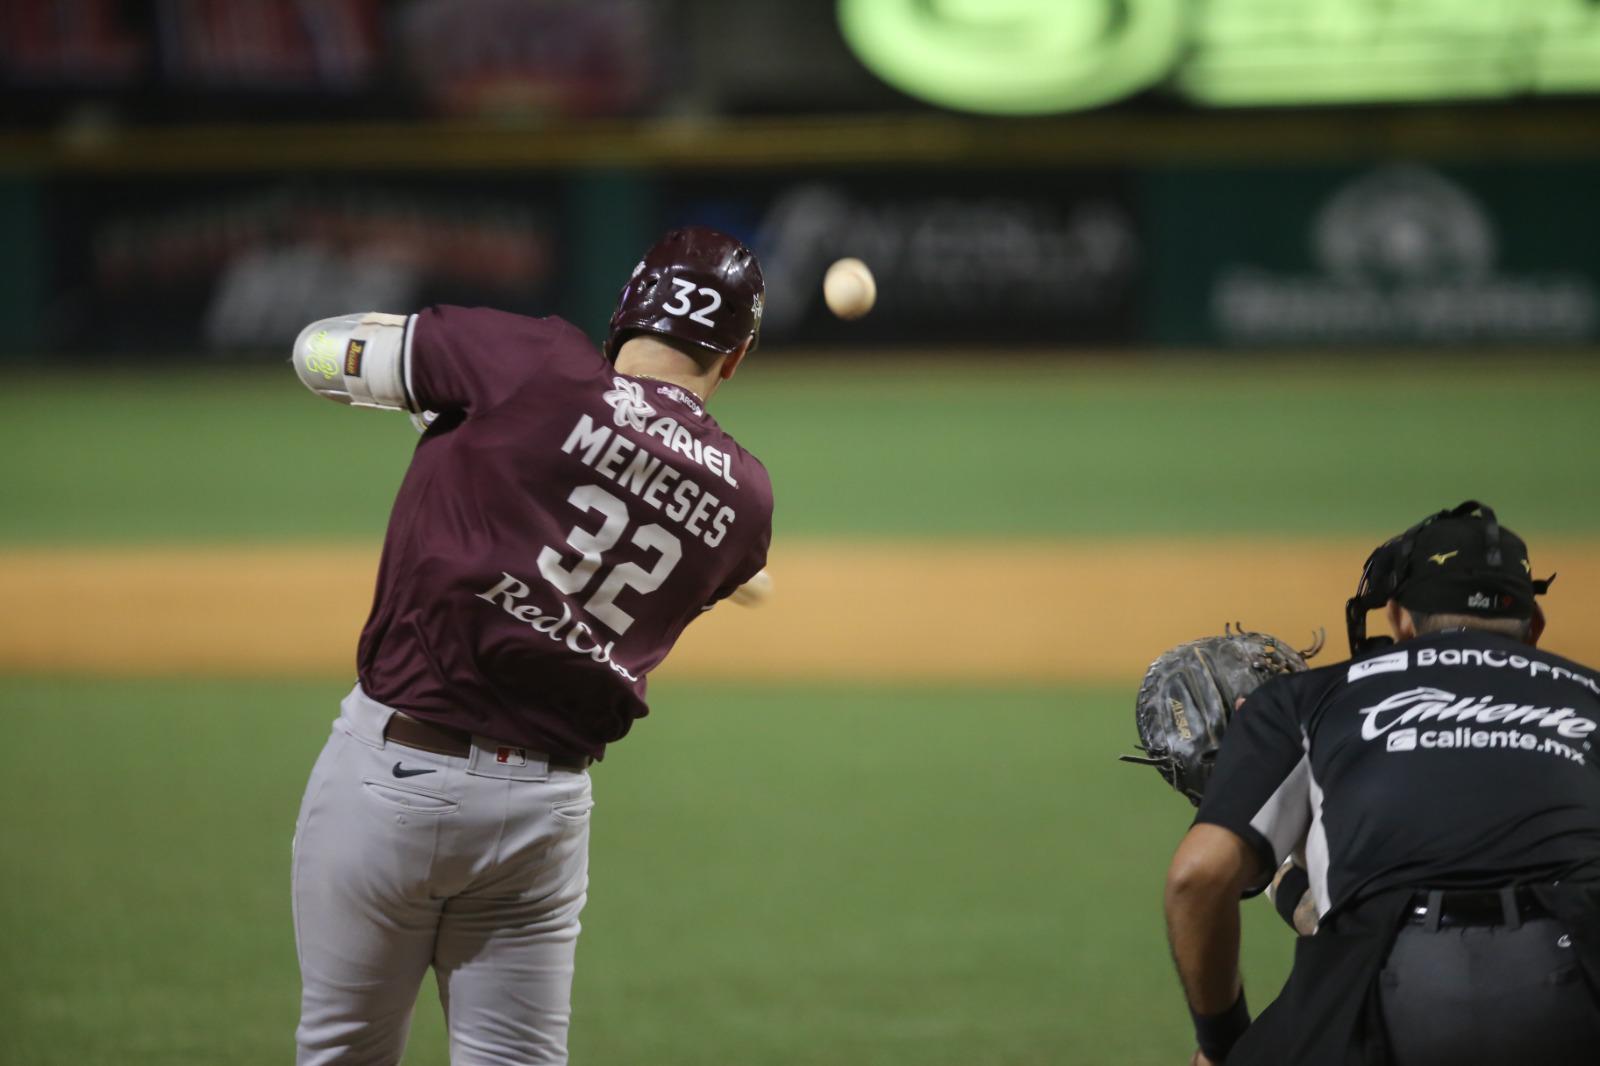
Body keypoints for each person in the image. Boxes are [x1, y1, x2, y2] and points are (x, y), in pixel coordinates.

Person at [285, 226, 773, 1065]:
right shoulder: (746, 501)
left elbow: (316, 352)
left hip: (391, 778)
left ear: (624, 315)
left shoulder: (526, 362)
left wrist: (432, 409)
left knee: (343, 1053)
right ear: (732, 360)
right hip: (543, 815)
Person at [1163, 501, 1600, 1066]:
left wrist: (1223, 1047)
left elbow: (1195, 878)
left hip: (1393, 984)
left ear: (1397, 618)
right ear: (1534, 626)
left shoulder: (1313, 698)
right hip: (1575, 982)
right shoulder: (1590, 694)